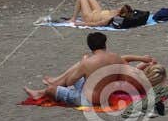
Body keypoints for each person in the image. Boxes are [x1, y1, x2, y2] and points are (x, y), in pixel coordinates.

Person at [23, 32, 153, 108]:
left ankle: (41, 92)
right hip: (106, 97)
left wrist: (83, 65)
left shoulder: (88, 62)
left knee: (52, 90)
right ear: (105, 44)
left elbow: (69, 82)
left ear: (90, 47)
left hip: (89, 100)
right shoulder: (116, 58)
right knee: (82, 66)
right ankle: (52, 83)